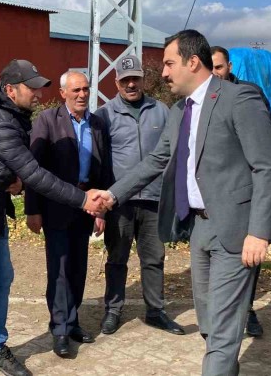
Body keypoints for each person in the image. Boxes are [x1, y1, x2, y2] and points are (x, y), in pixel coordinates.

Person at [95, 30, 271, 376]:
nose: (164, 73)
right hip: (200, 228)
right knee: (209, 322)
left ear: (193, 62)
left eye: (169, 64)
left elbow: (266, 166)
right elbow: (156, 160)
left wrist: (259, 232)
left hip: (237, 230)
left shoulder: (238, 99)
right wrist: (112, 194)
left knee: (223, 326)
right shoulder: (179, 110)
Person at [0, 59, 106, 376]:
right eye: (32, 88)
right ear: (10, 90)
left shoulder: (13, 116)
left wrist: (13, 181)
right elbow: (34, 173)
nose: (38, 94)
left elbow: (7, 167)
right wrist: (83, 199)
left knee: (2, 280)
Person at [95, 55, 185, 336]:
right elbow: (99, 162)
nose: (131, 84)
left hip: (154, 199)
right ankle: (113, 310)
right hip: (119, 202)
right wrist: (101, 207)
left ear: (143, 80)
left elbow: (174, 154)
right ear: (116, 82)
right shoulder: (104, 115)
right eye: (125, 80)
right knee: (117, 258)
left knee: (154, 258)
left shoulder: (161, 110)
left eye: (135, 78)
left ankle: (155, 311)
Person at [24, 70, 112, 358]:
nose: (82, 94)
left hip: (87, 206)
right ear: (63, 93)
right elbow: (33, 169)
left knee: (78, 268)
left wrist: (102, 211)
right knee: (60, 270)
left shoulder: (97, 124)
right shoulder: (47, 121)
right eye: (76, 90)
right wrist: (32, 210)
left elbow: (104, 170)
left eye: (85, 89)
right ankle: (59, 328)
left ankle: (72, 322)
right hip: (56, 207)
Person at [211, 45, 271, 337]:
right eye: (211, 68)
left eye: (219, 67)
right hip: (216, 193)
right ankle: (220, 315)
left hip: (246, 191)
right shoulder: (203, 96)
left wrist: (263, 173)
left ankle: (247, 310)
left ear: (229, 67)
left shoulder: (248, 93)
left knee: (248, 254)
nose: (215, 73)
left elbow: (270, 134)